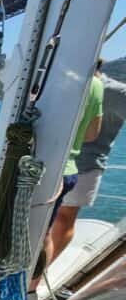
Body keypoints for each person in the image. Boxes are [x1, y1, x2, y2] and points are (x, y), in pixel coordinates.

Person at [31, 72, 105, 295]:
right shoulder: (96, 85)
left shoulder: (48, 71)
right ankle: (29, 292)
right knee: (43, 234)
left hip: (34, 166)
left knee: (17, 230)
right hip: (67, 171)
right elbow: (91, 134)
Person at [54, 68, 125, 261]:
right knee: (42, 219)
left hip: (86, 166)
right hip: (52, 162)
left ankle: (39, 272)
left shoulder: (116, 92)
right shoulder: (62, 80)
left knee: (63, 220)